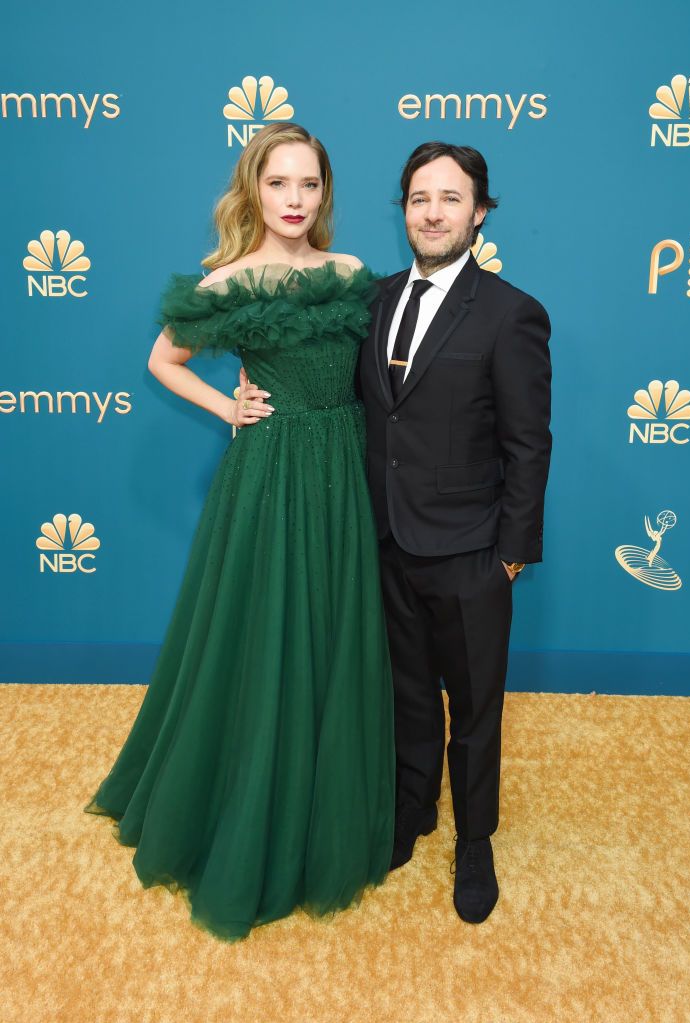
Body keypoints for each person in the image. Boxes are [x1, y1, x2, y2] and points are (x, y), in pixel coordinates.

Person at [85, 123, 395, 942]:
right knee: (267, 639)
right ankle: (249, 814)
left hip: (344, 466)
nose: (295, 201)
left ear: (326, 192)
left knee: (333, 633)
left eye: (310, 185)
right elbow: (163, 359)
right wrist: (231, 407)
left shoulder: (350, 274)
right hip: (273, 475)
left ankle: (327, 800)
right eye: (279, 184)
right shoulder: (230, 280)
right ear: (252, 190)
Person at [357, 142, 552, 924]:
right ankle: (413, 811)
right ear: (403, 209)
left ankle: (475, 839)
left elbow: (528, 444)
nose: (431, 212)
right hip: (385, 540)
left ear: (478, 212)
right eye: (417, 198)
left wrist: (509, 554)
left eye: (449, 198)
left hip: (471, 550)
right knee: (405, 693)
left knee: (472, 706)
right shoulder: (368, 302)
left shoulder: (511, 313)